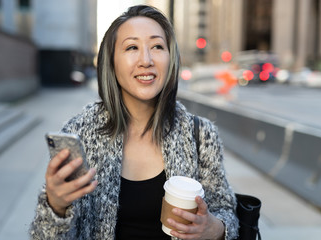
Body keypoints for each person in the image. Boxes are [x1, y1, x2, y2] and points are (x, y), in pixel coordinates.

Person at [30, 5, 239, 240]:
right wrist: (55, 206)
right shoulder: (78, 135)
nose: (146, 60)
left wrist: (216, 228)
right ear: (111, 61)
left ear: (171, 58)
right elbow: (43, 236)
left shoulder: (201, 135)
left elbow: (226, 211)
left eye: (157, 46)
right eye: (132, 47)